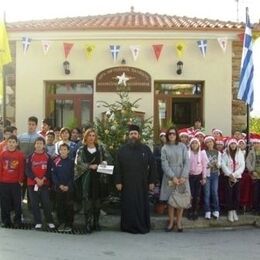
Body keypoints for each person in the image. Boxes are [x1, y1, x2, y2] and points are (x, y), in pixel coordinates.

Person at [114, 124, 157, 234]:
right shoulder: (122, 150)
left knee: (141, 205)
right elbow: (117, 166)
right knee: (128, 205)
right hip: (126, 183)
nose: (133, 135)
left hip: (142, 183)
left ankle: (141, 226)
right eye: (131, 134)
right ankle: (128, 227)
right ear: (128, 136)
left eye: (135, 134)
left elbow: (153, 165)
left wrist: (152, 181)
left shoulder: (145, 149)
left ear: (139, 135)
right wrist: (118, 181)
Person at [74, 128, 111, 233]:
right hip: (87, 178)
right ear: (86, 137)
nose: (91, 137)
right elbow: (78, 164)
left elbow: (108, 159)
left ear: (95, 137)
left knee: (97, 202)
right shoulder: (81, 149)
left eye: (93, 135)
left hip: (99, 178)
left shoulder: (100, 149)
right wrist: (89, 166)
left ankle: (96, 222)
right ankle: (87, 223)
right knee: (88, 201)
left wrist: (104, 162)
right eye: (89, 135)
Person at [160, 127, 189, 232]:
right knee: (171, 201)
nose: (171, 135)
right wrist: (173, 177)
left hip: (182, 175)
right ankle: (171, 222)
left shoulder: (182, 146)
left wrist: (183, 176)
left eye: (173, 133)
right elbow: (164, 164)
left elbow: (187, 162)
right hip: (170, 176)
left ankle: (179, 222)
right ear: (167, 135)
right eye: (170, 134)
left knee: (180, 200)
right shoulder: (164, 148)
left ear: (176, 135)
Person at [26, 136, 55, 230]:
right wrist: (36, 179)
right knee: (34, 203)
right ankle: (38, 221)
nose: (39, 145)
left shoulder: (48, 157)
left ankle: (50, 221)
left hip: (44, 183)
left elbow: (50, 170)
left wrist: (43, 179)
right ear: (34, 145)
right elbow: (27, 170)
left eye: (41, 143)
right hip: (32, 184)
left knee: (46, 202)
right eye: (37, 143)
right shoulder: (30, 157)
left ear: (44, 145)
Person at [0, 135, 24, 228]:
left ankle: (17, 221)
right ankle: (6, 221)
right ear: (7, 143)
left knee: (17, 202)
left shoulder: (20, 154)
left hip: (15, 183)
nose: (11, 144)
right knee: (4, 202)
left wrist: (20, 179)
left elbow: (21, 168)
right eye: (9, 142)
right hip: (4, 182)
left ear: (16, 143)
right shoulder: (2, 154)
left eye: (13, 142)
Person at [222, 138, 245, 222]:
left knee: (236, 195)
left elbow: (242, 165)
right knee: (229, 194)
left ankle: (234, 210)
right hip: (228, 177)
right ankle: (230, 211)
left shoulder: (240, 153)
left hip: (237, 177)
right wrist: (230, 174)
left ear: (236, 145)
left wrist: (235, 174)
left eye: (234, 144)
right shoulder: (225, 153)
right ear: (229, 145)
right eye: (231, 144)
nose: (233, 145)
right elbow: (223, 165)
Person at [52, 143, 74, 232]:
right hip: (59, 188)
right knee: (59, 206)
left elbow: (73, 175)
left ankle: (69, 224)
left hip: (69, 189)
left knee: (69, 206)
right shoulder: (56, 161)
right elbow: (53, 175)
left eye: (65, 149)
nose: (63, 151)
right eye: (61, 149)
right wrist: (59, 185)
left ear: (68, 151)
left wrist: (68, 186)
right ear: (59, 151)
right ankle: (61, 223)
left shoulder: (72, 162)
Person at [187, 137, 208, 220]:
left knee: (197, 195)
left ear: (198, 144)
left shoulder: (202, 153)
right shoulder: (187, 153)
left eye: (196, 143)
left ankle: (195, 211)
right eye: (192, 143)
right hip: (190, 176)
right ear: (190, 145)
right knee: (190, 194)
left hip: (198, 176)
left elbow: (204, 166)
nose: (194, 145)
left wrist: (204, 177)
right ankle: (190, 210)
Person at [203, 136, 222, 220]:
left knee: (214, 192)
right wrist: (208, 165)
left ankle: (216, 210)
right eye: (207, 142)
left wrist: (217, 164)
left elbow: (220, 164)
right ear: (206, 144)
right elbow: (202, 164)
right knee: (207, 193)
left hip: (215, 174)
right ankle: (207, 211)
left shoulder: (218, 153)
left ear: (213, 142)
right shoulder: (203, 152)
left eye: (210, 141)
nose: (209, 143)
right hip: (207, 175)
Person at [246, 138, 260, 215]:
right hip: (255, 176)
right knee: (256, 193)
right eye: (254, 143)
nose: (256, 145)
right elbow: (248, 162)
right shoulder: (251, 152)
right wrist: (252, 171)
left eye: (257, 143)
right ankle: (256, 209)